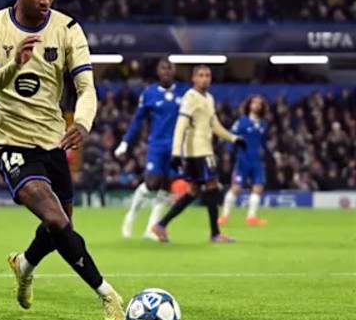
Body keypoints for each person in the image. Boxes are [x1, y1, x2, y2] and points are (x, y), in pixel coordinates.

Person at [0, 0, 125, 320]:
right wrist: (14, 65)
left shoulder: (68, 28)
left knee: (61, 224)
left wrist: (83, 122)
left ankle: (24, 264)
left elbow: (86, 87)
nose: (45, 0)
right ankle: (107, 294)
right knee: (56, 219)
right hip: (8, 142)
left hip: (52, 141)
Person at [151, 65, 246, 243]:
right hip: (198, 151)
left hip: (203, 150)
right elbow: (181, 125)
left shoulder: (208, 98)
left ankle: (160, 225)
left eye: (207, 75)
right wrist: (176, 153)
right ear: (193, 79)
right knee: (212, 187)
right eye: (201, 75)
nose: (204, 79)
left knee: (193, 191)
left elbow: (214, 125)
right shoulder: (190, 97)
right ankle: (215, 234)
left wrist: (233, 138)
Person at [115, 59, 190, 240]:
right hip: (157, 144)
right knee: (152, 183)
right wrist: (125, 142)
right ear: (158, 72)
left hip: (176, 147)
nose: (166, 71)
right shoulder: (149, 93)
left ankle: (151, 228)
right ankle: (131, 216)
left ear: (173, 71)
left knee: (167, 186)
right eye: (163, 68)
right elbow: (138, 120)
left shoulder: (184, 92)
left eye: (169, 68)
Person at [221, 95, 270, 226]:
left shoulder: (263, 124)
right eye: (254, 102)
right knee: (235, 188)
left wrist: (269, 154)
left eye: (259, 103)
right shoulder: (241, 122)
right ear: (249, 105)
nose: (256, 105)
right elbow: (232, 137)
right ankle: (224, 216)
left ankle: (251, 218)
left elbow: (264, 143)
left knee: (258, 188)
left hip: (257, 161)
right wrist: (228, 154)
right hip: (243, 160)